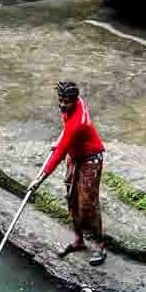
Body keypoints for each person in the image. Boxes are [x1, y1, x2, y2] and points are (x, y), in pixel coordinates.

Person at [31, 81, 107, 266]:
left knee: (88, 203)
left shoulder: (77, 123)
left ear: (75, 100)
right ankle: (79, 240)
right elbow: (66, 136)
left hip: (91, 158)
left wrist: (38, 180)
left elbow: (59, 154)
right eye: (61, 100)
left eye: (67, 102)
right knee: (71, 198)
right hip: (75, 155)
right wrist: (61, 139)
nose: (63, 105)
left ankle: (99, 245)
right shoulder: (74, 104)